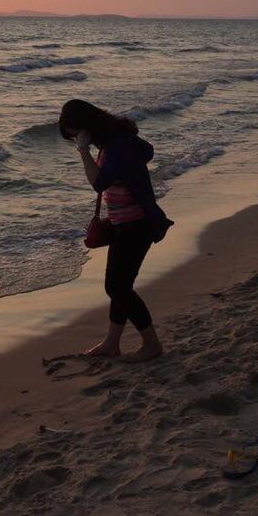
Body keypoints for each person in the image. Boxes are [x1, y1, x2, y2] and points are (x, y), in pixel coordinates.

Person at [59, 99, 173, 362]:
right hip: (127, 224)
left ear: (85, 128)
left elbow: (99, 183)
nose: (76, 141)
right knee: (120, 286)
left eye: (75, 135)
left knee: (117, 287)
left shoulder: (118, 146)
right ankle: (111, 343)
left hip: (136, 225)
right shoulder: (116, 142)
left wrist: (83, 151)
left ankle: (152, 344)